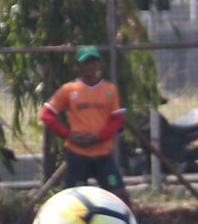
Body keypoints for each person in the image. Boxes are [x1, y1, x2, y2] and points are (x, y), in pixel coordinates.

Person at [39, 45, 131, 207]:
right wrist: (68, 135)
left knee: (119, 196)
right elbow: (46, 114)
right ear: (78, 66)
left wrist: (99, 137)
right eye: (85, 62)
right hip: (77, 153)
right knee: (74, 200)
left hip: (103, 153)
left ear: (99, 65)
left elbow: (117, 119)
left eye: (93, 62)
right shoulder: (69, 90)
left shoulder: (109, 90)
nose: (89, 66)